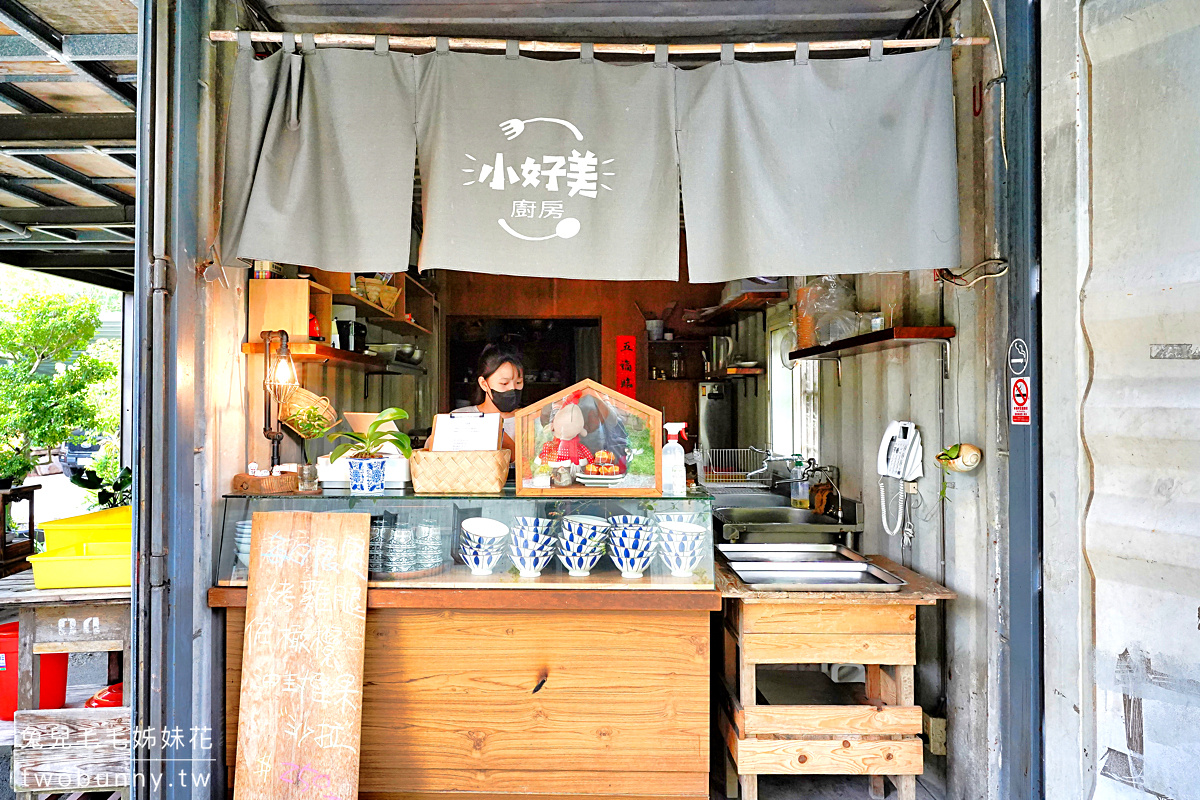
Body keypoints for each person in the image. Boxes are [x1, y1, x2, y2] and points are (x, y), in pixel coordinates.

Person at [458, 343, 524, 450]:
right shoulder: (459, 418)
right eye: (504, 383)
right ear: (484, 384)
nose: (512, 388)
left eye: (518, 382)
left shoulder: (532, 420)